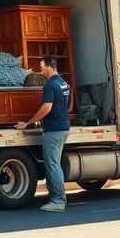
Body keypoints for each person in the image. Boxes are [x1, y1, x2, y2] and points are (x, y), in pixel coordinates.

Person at [15, 55, 71, 213]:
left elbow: (46, 107)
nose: (40, 70)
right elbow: (66, 105)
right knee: (55, 164)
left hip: (53, 130)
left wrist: (29, 122)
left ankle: (58, 201)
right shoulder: (64, 84)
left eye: (42, 66)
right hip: (63, 127)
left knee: (52, 165)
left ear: (50, 66)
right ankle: (57, 198)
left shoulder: (50, 85)